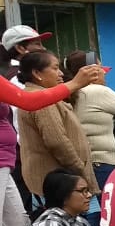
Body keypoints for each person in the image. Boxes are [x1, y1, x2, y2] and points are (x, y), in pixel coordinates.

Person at [0, 53, 102, 226]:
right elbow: (28, 101)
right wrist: (75, 83)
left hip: (5, 163)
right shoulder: (37, 94)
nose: (59, 72)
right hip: (8, 163)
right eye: (55, 68)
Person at [15, 51, 95, 204]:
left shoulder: (39, 95)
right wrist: (80, 169)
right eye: (55, 68)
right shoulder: (41, 100)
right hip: (64, 188)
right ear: (37, 73)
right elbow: (57, 142)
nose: (60, 74)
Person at [64, 51, 115, 191]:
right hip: (109, 164)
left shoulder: (74, 93)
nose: (104, 72)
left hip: (93, 165)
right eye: (100, 68)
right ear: (92, 71)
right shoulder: (95, 91)